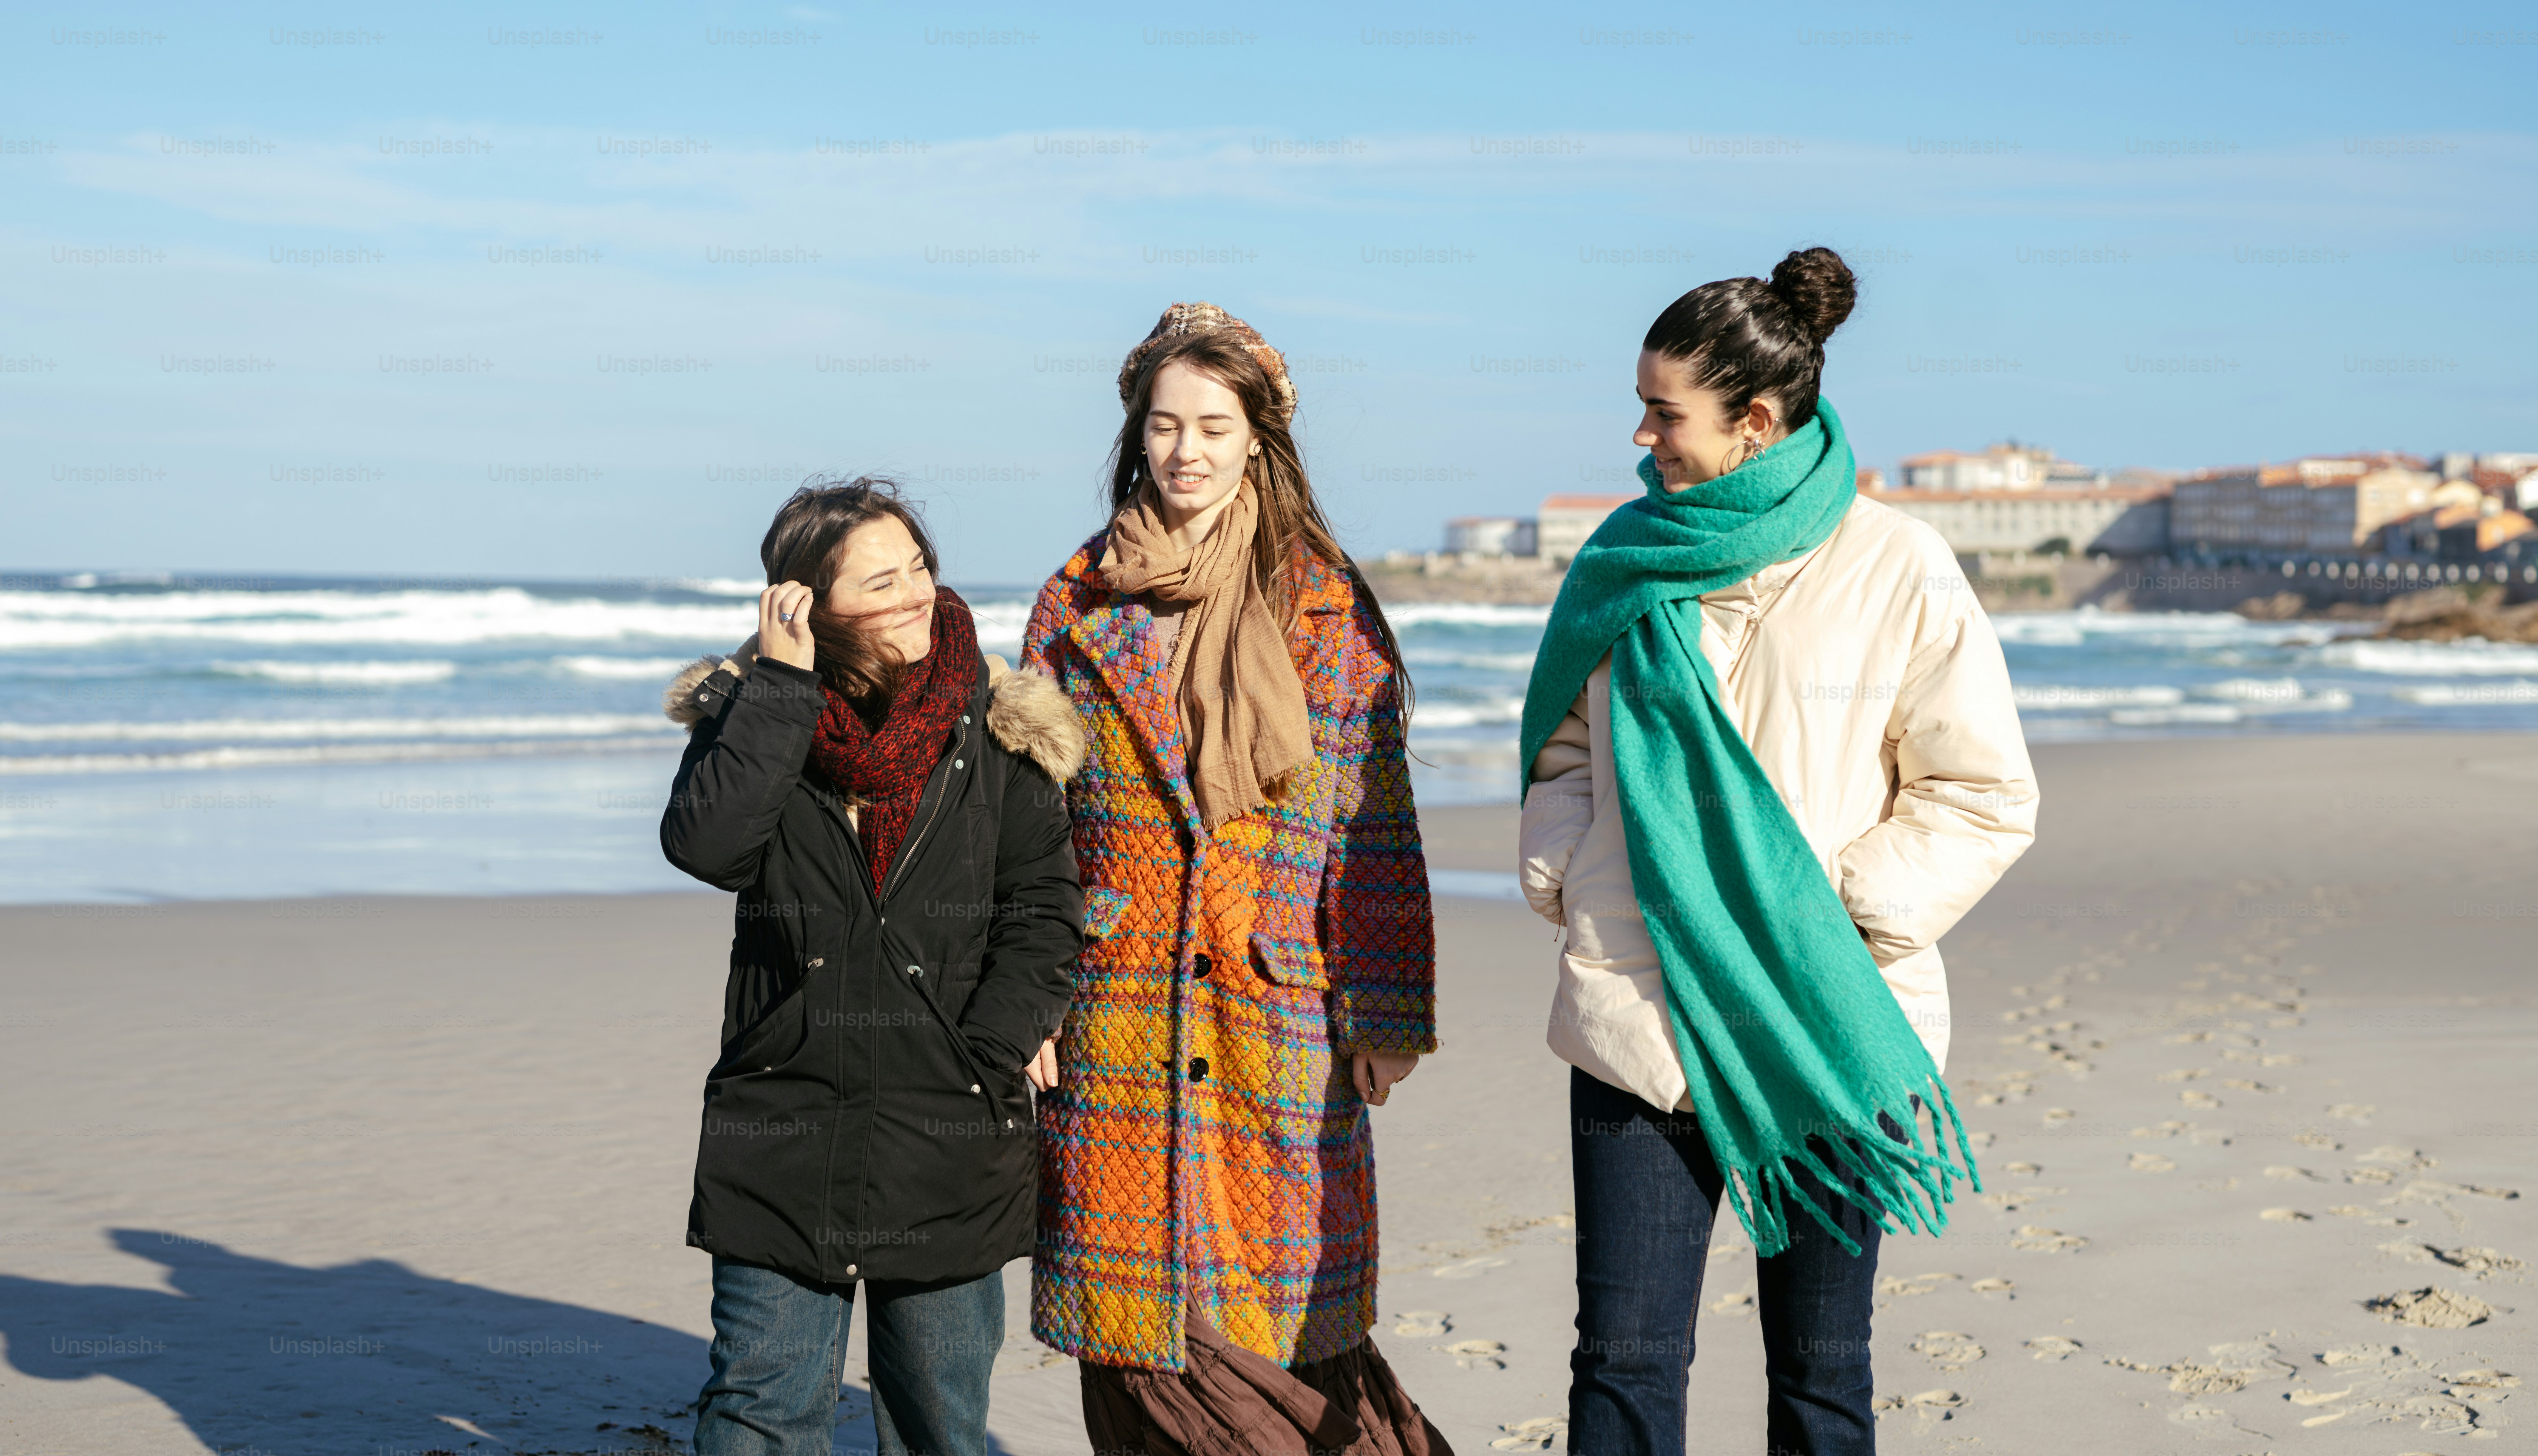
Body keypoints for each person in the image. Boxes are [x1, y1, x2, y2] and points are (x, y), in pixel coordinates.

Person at [1516, 249, 2039, 1455]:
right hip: (1639, 1007)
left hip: (1826, 1011)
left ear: (1752, 422)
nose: (1641, 437)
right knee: (1625, 1365)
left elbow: (1980, 793)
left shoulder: (1898, 566)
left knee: (1821, 1373)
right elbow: (1566, 753)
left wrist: (1831, 908)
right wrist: (1566, 867)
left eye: (1664, 412)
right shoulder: (1625, 560)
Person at [1019, 303, 1452, 1453]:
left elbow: (1376, 817)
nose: (1186, 452)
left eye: (1214, 425)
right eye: (1165, 426)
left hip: (1283, 1003)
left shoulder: (1322, 600)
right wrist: (1028, 997)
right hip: (1112, 1005)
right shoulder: (1075, 603)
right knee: (1136, 1325)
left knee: (1282, 1315)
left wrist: (1389, 1009)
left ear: (1258, 435)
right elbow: (1031, 825)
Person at [659, 478, 1087, 1456]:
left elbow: (1043, 906)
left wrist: (988, 1049)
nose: (913, 595)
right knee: (761, 1411)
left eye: (920, 568)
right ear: (805, 603)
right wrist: (777, 686)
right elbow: (709, 848)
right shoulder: (755, 721)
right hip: (784, 1117)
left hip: (951, 1123)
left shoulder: (1000, 723)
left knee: (940, 1419)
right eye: (879, 579)